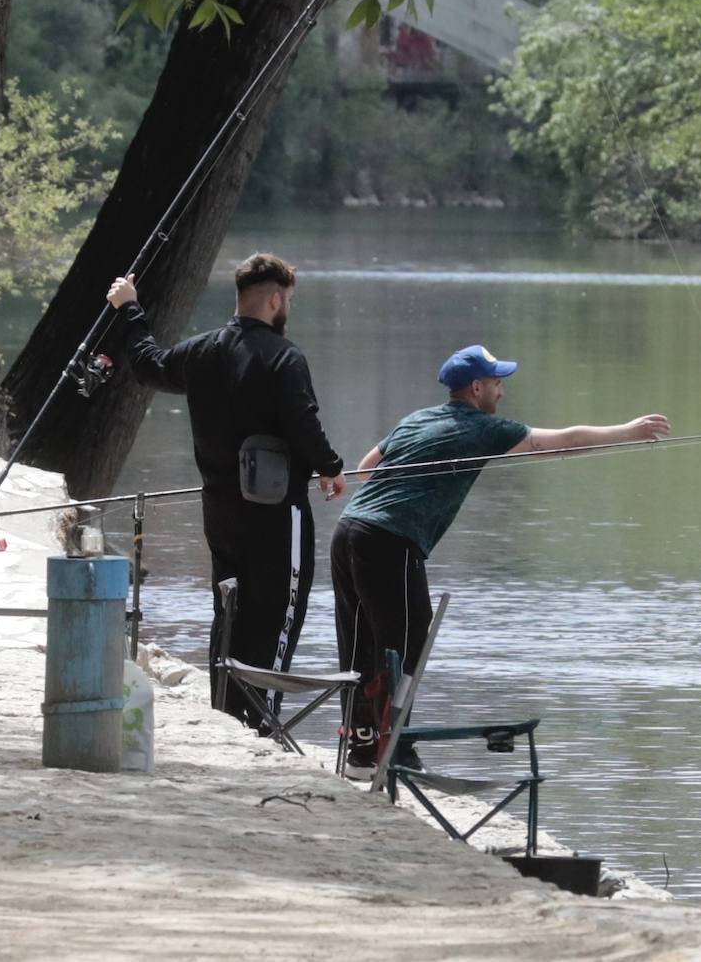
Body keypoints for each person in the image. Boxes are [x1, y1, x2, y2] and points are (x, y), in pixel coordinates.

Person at [330, 343, 669, 776]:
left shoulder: (417, 419)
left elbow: (365, 468)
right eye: (496, 383)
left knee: (361, 641)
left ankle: (360, 750)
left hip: (349, 530)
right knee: (406, 644)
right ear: (476, 388)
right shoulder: (483, 428)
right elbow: (560, 443)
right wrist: (626, 431)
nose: (501, 392)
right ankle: (392, 748)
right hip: (389, 541)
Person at [106, 253, 346, 729]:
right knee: (278, 615)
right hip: (278, 513)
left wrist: (130, 309)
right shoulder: (285, 357)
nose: (288, 307)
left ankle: (227, 716)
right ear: (275, 299)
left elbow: (148, 365)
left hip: (220, 511)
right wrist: (331, 467)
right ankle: (263, 721)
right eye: (289, 300)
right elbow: (304, 424)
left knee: (230, 612)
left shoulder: (203, 351)